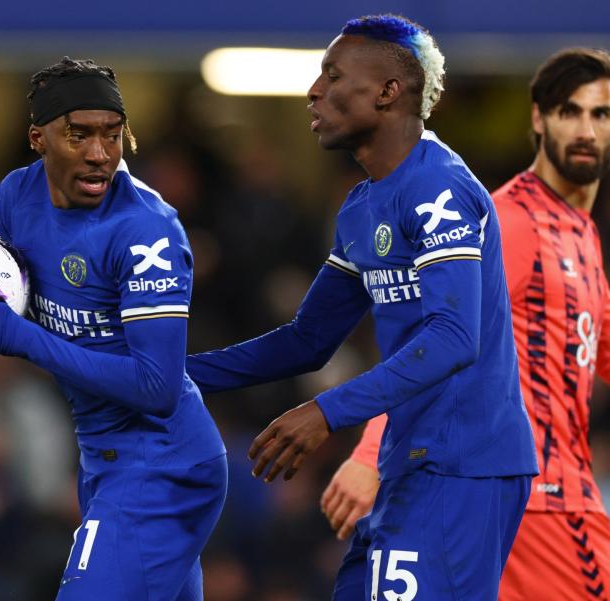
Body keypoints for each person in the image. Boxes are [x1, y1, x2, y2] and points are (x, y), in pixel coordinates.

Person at [185, 14, 539, 600]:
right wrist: (177, 373)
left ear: (387, 91)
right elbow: (307, 339)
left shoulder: (438, 187)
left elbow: (454, 336)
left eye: (332, 76)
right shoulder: (362, 206)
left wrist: (326, 412)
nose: (314, 92)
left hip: (464, 464)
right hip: (411, 462)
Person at [0, 57, 227, 601]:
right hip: (100, 461)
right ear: (38, 138)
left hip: (163, 463)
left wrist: (9, 335)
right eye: (79, 135)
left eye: (112, 136)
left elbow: (156, 388)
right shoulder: (16, 199)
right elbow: (1, 306)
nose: (99, 154)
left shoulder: (147, 231)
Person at [323, 47, 610, 600]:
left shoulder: (581, 234)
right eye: (569, 111)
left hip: (545, 494)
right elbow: (433, 335)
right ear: (537, 118)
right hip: (537, 499)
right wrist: (370, 455)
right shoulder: (514, 222)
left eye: (600, 114)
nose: (585, 129)